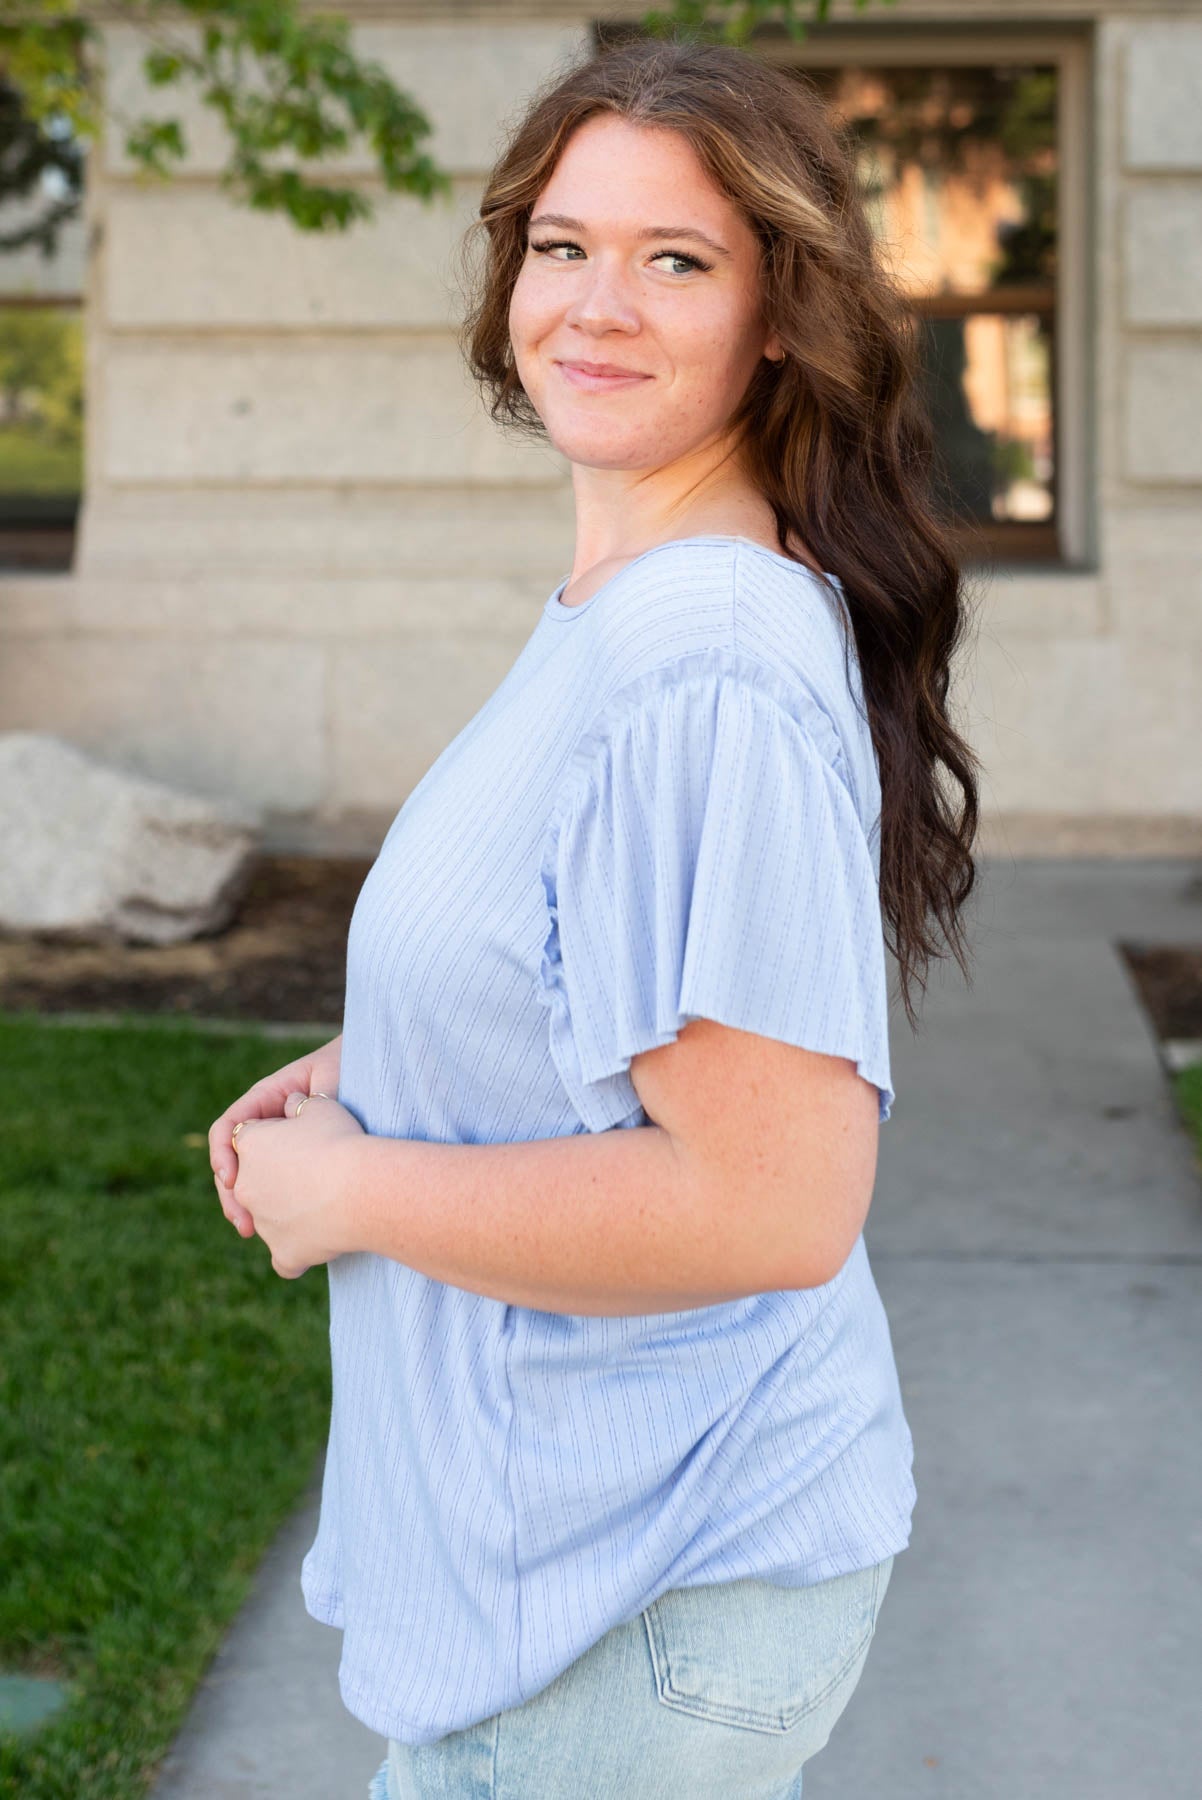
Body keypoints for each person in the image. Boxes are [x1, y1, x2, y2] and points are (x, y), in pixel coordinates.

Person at [208, 32, 980, 1800]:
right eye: (563, 247)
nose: (596, 306)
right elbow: (604, 971)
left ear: (775, 315)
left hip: (627, 1607)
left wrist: (355, 1191)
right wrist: (395, 1052)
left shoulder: (698, 658)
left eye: (676, 261)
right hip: (571, 1577)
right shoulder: (625, 604)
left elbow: (769, 1199)